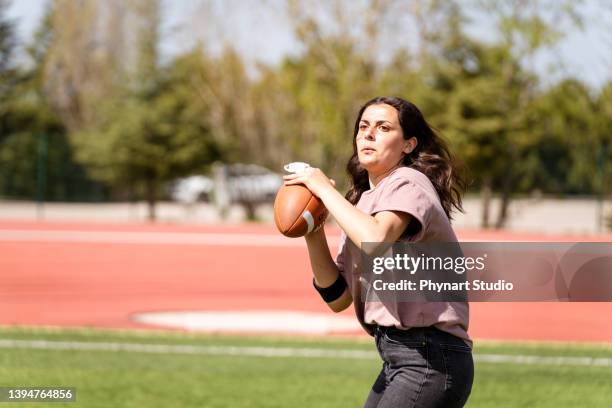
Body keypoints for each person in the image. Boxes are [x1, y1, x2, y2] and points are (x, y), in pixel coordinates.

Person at [283, 96, 473, 407]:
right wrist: (313, 230)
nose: (369, 134)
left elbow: (375, 237)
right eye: (363, 127)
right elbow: (338, 298)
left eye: (384, 128)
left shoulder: (409, 182)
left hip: (430, 358)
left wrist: (323, 189)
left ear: (408, 145)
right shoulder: (364, 202)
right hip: (399, 358)